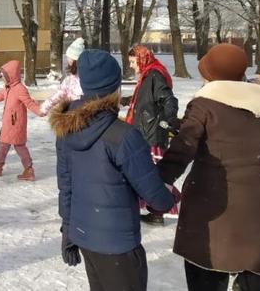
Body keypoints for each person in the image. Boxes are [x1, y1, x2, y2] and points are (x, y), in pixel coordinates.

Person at [156, 43, 260, 291]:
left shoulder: (204, 104)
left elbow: (183, 149)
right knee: (253, 276)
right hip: (256, 203)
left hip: (212, 200)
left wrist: (158, 181)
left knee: (206, 271)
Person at [50, 49, 175, 291]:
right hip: (119, 244)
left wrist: (68, 229)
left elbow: (65, 185)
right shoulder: (123, 135)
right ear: (114, 86)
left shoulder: (66, 130)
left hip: (85, 236)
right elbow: (155, 195)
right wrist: (168, 196)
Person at [124, 45, 180, 225]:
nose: (132, 66)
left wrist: (168, 119)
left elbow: (168, 99)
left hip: (152, 132)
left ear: (142, 59)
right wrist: (124, 101)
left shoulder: (154, 75)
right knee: (149, 174)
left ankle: (164, 205)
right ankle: (155, 211)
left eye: (133, 62)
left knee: (152, 175)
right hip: (146, 130)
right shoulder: (149, 74)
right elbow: (145, 101)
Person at [0, 60, 44, 181]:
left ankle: (3, 167)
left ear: (11, 75)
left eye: (4, 76)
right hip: (9, 124)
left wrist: (40, 111)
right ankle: (3, 167)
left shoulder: (20, 89)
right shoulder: (8, 88)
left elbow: (29, 103)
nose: (2, 78)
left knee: (14, 146)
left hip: (15, 125)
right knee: (8, 146)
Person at [40, 38, 83, 115]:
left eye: (69, 57)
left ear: (75, 59)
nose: (67, 59)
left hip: (79, 116)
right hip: (69, 115)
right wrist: (46, 106)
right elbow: (60, 93)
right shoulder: (70, 78)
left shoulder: (83, 79)